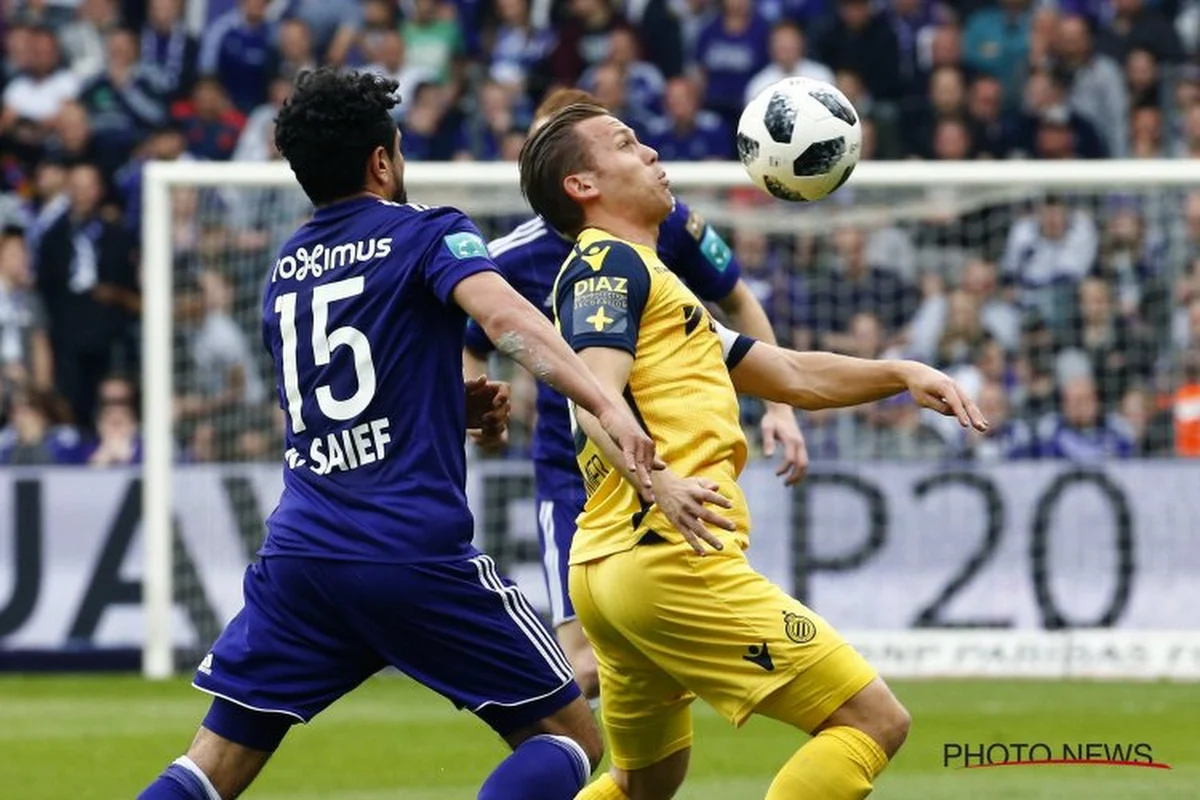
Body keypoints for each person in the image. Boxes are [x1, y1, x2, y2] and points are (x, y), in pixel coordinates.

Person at [138, 69, 659, 800]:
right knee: (569, 735)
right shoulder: (428, 232)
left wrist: (445, 403)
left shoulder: (284, 272)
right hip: (408, 550)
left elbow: (336, 402)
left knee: (211, 766)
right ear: (382, 161)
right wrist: (607, 404)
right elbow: (508, 321)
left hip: (301, 557)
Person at [518, 102, 987, 800]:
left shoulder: (655, 281)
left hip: (610, 568)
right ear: (583, 186)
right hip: (670, 554)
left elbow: (790, 373)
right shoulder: (605, 266)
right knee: (871, 721)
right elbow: (596, 401)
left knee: (646, 781)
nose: (649, 151)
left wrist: (899, 373)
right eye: (624, 144)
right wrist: (661, 484)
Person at [463, 87, 808, 701]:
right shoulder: (511, 257)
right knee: (588, 667)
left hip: (673, 461)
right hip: (574, 477)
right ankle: (542, 737)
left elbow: (738, 301)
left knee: (645, 676)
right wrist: (478, 406)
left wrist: (779, 407)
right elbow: (471, 340)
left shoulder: (667, 220)